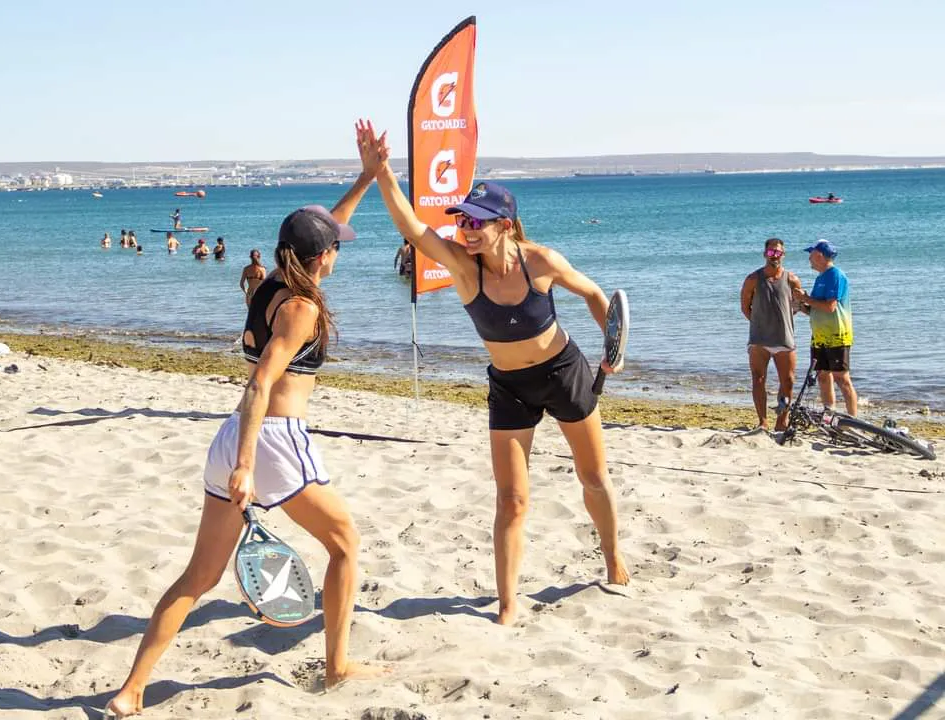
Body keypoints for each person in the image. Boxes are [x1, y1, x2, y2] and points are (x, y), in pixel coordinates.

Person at [105, 132, 385, 718]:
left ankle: (131, 690)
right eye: (333, 249)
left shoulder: (270, 284)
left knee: (199, 576)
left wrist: (366, 176)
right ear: (321, 258)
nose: (337, 253)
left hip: (231, 434)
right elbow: (260, 384)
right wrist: (246, 466)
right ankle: (337, 666)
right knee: (345, 545)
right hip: (272, 442)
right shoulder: (302, 308)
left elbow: (327, 228)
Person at [359, 120, 628, 626]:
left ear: (505, 225)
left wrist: (612, 346)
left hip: (564, 373)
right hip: (509, 388)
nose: (466, 229)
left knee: (593, 478)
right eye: (462, 219)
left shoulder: (541, 262)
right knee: (511, 499)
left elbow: (595, 295)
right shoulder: (464, 267)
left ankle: (614, 560)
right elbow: (413, 229)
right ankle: (507, 605)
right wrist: (382, 173)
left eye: (477, 222)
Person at [740, 238, 802, 432]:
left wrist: (782, 319)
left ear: (783, 255)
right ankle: (763, 421)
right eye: (770, 252)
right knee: (758, 379)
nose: (774, 256)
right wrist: (759, 322)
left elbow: (797, 306)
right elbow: (745, 307)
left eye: (778, 252)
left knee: (788, 381)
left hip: (784, 338)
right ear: (764, 254)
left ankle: (782, 420)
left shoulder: (791, 279)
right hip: (759, 339)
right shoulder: (753, 279)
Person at [794, 240, 857, 415]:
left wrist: (806, 299)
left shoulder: (835, 275)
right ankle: (829, 414)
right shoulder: (820, 278)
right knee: (822, 376)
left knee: (841, 378)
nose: (809, 258)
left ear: (819, 255)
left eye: (811, 254)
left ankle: (853, 419)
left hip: (837, 335)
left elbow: (830, 307)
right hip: (819, 336)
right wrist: (800, 305)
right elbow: (816, 310)